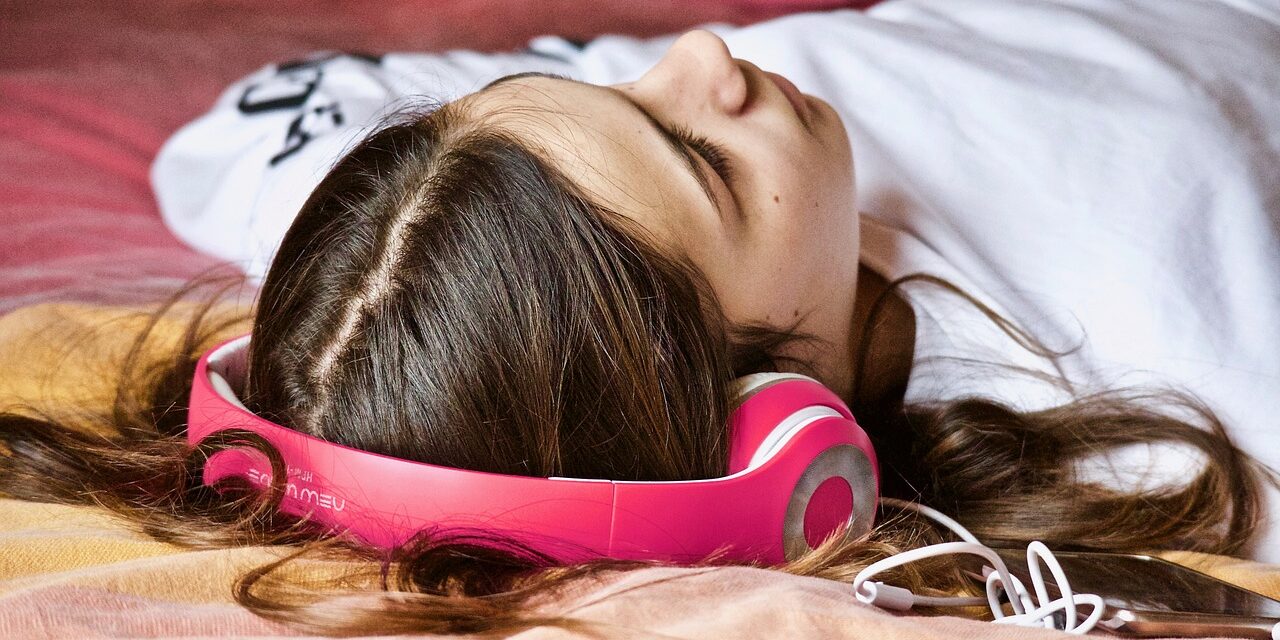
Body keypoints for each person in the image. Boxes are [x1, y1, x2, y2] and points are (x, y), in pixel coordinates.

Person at [6, 0, 1280, 636]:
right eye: (700, 161)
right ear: (779, 430)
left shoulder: (448, 224)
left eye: (595, 86)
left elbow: (236, 131)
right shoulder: (1204, 367)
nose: (703, 54)